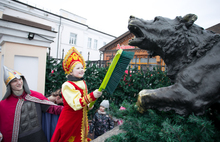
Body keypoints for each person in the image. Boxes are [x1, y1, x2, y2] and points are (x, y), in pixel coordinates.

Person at [50, 47, 102, 142]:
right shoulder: (67, 85)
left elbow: (82, 102)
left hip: (80, 119)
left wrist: (88, 105)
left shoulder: (82, 82)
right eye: (78, 68)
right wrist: (92, 96)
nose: (81, 70)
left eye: (82, 67)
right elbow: (75, 103)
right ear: (70, 71)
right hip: (70, 121)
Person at [0, 66, 63, 142]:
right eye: (15, 81)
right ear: (9, 84)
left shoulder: (35, 96)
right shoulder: (3, 105)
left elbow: (53, 109)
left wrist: (70, 110)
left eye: (20, 79)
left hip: (38, 138)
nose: (19, 82)